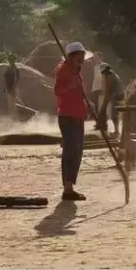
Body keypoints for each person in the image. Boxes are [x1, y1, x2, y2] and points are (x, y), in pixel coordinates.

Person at [54, 41, 94, 201]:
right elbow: (57, 91)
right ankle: (67, 189)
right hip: (67, 117)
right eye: (81, 54)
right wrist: (70, 85)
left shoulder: (77, 71)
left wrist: (88, 107)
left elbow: (79, 94)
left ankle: (70, 186)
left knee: (77, 151)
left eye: (84, 54)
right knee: (70, 151)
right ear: (73, 56)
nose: (84, 57)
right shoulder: (63, 71)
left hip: (78, 116)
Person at [97, 63, 124, 136]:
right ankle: (116, 130)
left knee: (114, 114)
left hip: (116, 96)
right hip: (118, 95)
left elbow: (108, 92)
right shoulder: (113, 74)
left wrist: (104, 106)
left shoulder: (109, 76)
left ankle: (117, 131)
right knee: (114, 114)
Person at [4, 54, 20, 121]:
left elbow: (17, 79)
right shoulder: (8, 68)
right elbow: (6, 79)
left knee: (13, 105)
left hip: (13, 89)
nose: (10, 60)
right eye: (10, 59)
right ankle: (12, 120)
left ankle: (15, 120)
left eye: (11, 59)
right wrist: (5, 87)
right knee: (10, 106)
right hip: (8, 88)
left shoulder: (16, 69)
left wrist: (13, 88)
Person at [90, 51, 104, 127]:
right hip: (96, 88)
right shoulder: (95, 67)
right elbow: (95, 78)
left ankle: (102, 123)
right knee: (96, 107)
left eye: (96, 57)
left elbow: (104, 77)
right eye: (94, 57)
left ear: (100, 58)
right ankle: (98, 122)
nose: (95, 59)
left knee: (101, 106)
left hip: (101, 88)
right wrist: (93, 88)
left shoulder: (104, 66)